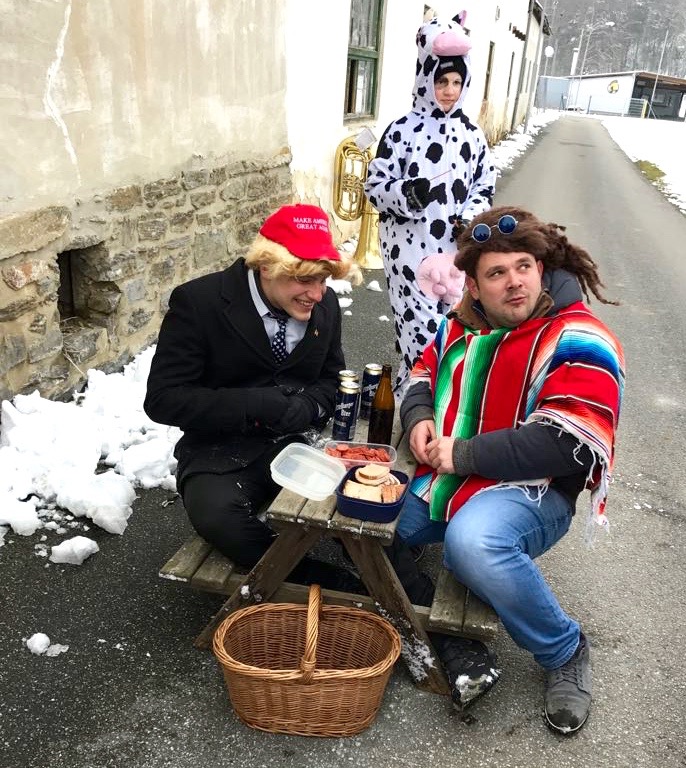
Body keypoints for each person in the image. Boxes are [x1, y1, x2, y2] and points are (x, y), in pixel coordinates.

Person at [393, 206, 625, 732]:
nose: (514, 282)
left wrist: (465, 452)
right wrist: (419, 417)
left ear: (541, 268)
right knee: (368, 524)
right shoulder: (461, 325)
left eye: (524, 266)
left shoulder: (579, 337)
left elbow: (566, 444)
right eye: (497, 273)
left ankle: (564, 649)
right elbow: (423, 371)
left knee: (473, 544)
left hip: (534, 492)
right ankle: (439, 620)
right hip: (448, 478)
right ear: (473, 286)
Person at [143, 203, 363, 589]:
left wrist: (310, 406)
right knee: (217, 518)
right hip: (219, 446)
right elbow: (163, 399)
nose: (317, 294)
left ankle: (414, 594)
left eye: (324, 279)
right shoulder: (199, 302)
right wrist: (254, 404)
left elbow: (331, 379)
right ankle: (333, 586)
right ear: (267, 266)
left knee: (361, 498)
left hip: (297, 441)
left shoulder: (323, 303)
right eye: (305, 280)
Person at [365, 12, 496, 392]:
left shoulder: (473, 136)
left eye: (457, 82)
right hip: (409, 253)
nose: (449, 90)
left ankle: (423, 397)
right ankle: (419, 405)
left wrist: (471, 220)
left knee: (451, 332)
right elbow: (375, 185)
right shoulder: (402, 131)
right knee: (418, 333)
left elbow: (484, 186)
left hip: (455, 253)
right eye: (442, 81)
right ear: (426, 79)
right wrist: (405, 194)